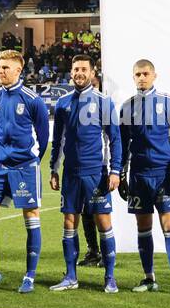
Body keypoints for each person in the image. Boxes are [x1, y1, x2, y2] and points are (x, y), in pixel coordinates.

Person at [0, 50, 50, 293]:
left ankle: (30, 275)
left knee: (31, 219)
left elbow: (43, 137)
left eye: (6, 67)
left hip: (24, 168)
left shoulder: (32, 99)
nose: (1, 71)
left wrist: (30, 160)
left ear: (19, 70)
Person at [49, 54, 122, 292]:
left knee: (103, 222)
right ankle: (71, 277)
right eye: (75, 69)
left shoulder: (104, 101)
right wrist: (54, 168)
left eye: (83, 69)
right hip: (70, 173)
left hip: (96, 172)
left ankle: (110, 277)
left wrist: (115, 170)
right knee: (69, 222)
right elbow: (57, 139)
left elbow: (115, 140)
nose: (79, 73)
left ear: (92, 73)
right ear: (71, 72)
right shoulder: (62, 103)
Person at [118, 58, 170, 294]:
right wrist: (121, 173)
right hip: (138, 175)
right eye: (137, 74)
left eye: (146, 74)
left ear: (154, 76)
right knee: (143, 226)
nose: (142, 78)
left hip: (163, 174)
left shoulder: (168, 102)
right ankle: (149, 278)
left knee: (169, 225)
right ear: (133, 76)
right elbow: (122, 145)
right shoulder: (126, 107)